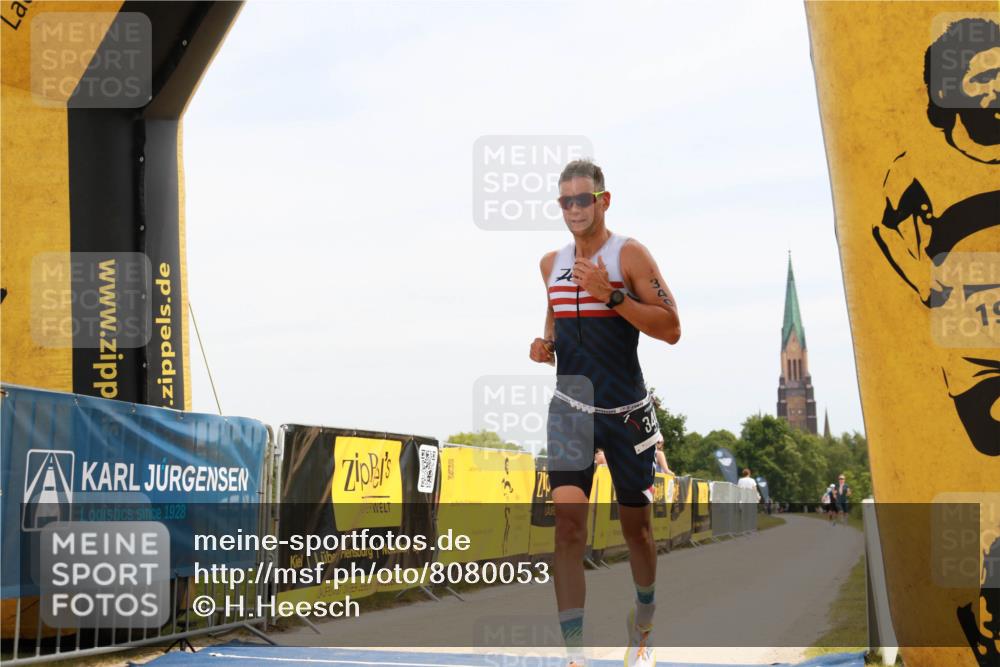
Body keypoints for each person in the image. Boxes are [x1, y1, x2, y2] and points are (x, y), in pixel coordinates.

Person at [529, 159, 681, 667]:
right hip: (570, 409)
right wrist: (544, 344)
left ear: (603, 200)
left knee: (636, 528)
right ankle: (575, 654)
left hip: (626, 412)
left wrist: (612, 295)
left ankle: (643, 625)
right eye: (565, 201)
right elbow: (555, 316)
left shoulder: (628, 253)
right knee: (569, 529)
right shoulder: (550, 263)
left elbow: (671, 327)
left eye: (582, 199)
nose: (574, 209)